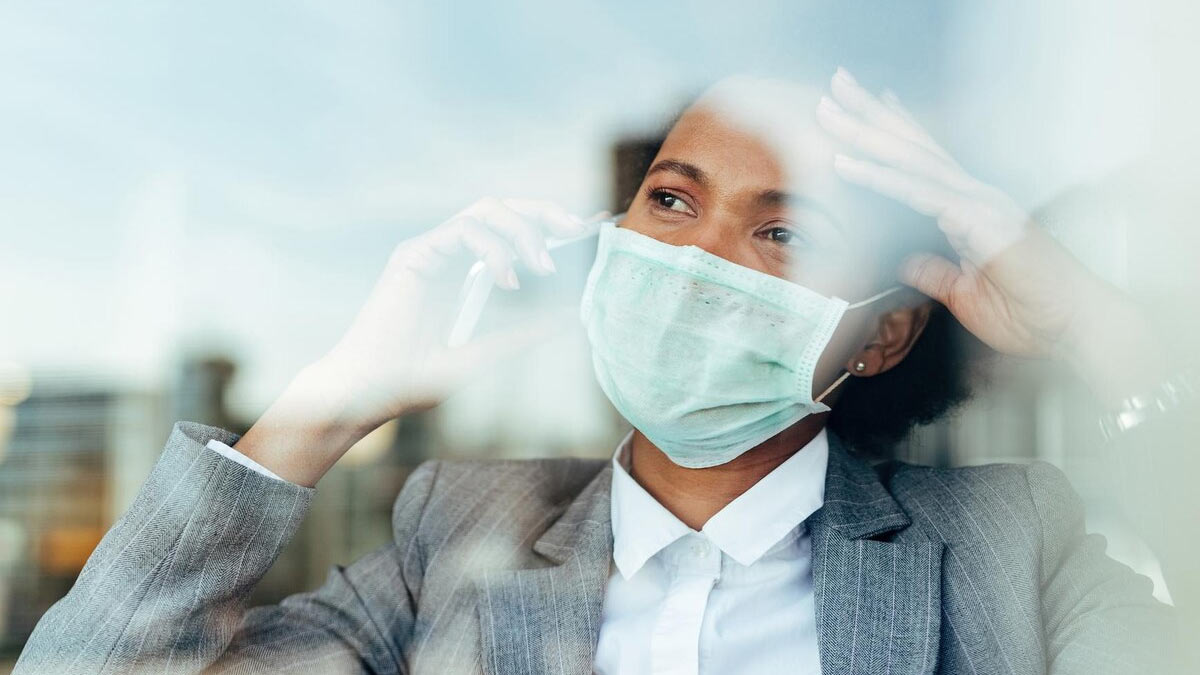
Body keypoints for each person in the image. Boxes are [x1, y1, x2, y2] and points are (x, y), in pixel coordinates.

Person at [15, 69, 1182, 674]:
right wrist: (325, 408)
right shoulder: (449, 541)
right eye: (669, 201)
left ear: (879, 334)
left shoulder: (1011, 546)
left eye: (781, 232)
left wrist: (1101, 332)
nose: (695, 259)